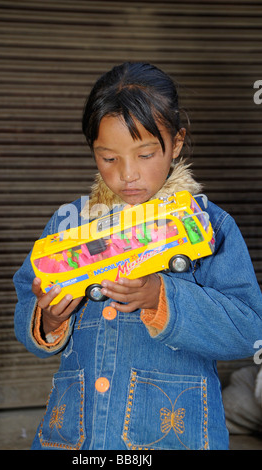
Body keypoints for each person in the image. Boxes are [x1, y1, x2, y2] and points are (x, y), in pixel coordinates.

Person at [13, 62, 262, 450]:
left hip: (171, 436)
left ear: (176, 143)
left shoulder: (210, 225)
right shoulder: (68, 225)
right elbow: (27, 302)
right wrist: (47, 318)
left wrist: (162, 297)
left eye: (145, 154)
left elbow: (250, 329)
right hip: (76, 440)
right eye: (109, 158)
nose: (127, 175)